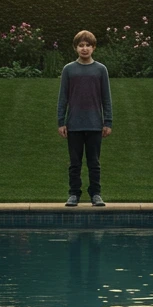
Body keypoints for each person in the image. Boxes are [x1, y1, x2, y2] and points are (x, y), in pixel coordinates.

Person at [57, 30, 112, 207]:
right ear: (75, 48)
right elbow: (63, 98)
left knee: (94, 163)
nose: (85, 48)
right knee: (75, 163)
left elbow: (106, 98)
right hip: (74, 124)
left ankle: (96, 194)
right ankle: (74, 194)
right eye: (81, 45)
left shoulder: (101, 70)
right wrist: (61, 122)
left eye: (88, 45)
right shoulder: (68, 69)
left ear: (94, 47)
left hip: (95, 124)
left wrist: (107, 122)